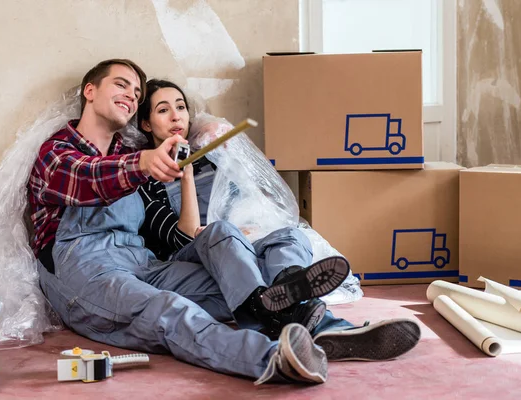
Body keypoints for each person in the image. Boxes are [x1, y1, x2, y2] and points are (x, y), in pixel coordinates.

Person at [27, 59, 420, 386]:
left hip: (141, 262)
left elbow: (162, 147)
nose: (131, 93)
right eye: (121, 84)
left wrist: (200, 134)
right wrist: (144, 163)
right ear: (90, 91)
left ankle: (319, 323)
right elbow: (82, 177)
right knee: (169, 311)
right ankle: (273, 359)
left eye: (136, 90)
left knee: (242, 284)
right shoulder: (58, 152)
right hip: (82, 269)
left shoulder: (129, 150)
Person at [135, 77, 422, 357]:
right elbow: (183, 236)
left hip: (237, 243)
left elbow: (250, 200)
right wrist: (184, 174)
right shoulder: (144, 177)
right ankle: (273, 316)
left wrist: (229, 153)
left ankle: (297, 295)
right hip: (193, 251)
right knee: (220, 230)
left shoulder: (208, 156)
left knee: (290, 235)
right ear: (146, 124)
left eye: (181, 107)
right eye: (163, 110)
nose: (176, 116)